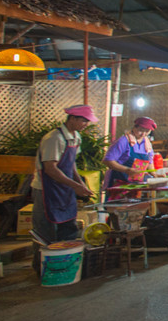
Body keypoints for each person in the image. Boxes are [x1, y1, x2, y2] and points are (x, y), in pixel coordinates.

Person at [31, 104, 96, 243]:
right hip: (46, 190)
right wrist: (75, 186)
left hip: (64, 189)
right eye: (84, 121)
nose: (86, 125)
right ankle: (42, 264)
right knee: (45, 232)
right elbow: (50, 168)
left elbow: (71, 163)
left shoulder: (76, 137)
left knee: (68, 227)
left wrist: (80, 183)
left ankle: (66, 262)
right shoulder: (54, 138)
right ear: (72, 118)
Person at [103, 116, 156, 191]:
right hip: (119, 184)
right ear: (134, 127)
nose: (143, 134)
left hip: (136, 186)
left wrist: (155, 175)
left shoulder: (147, 144)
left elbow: (149, 163)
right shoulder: (123, 141)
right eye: (141, 130)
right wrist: (126, 170)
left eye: (147, 131)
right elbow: (107, 161)